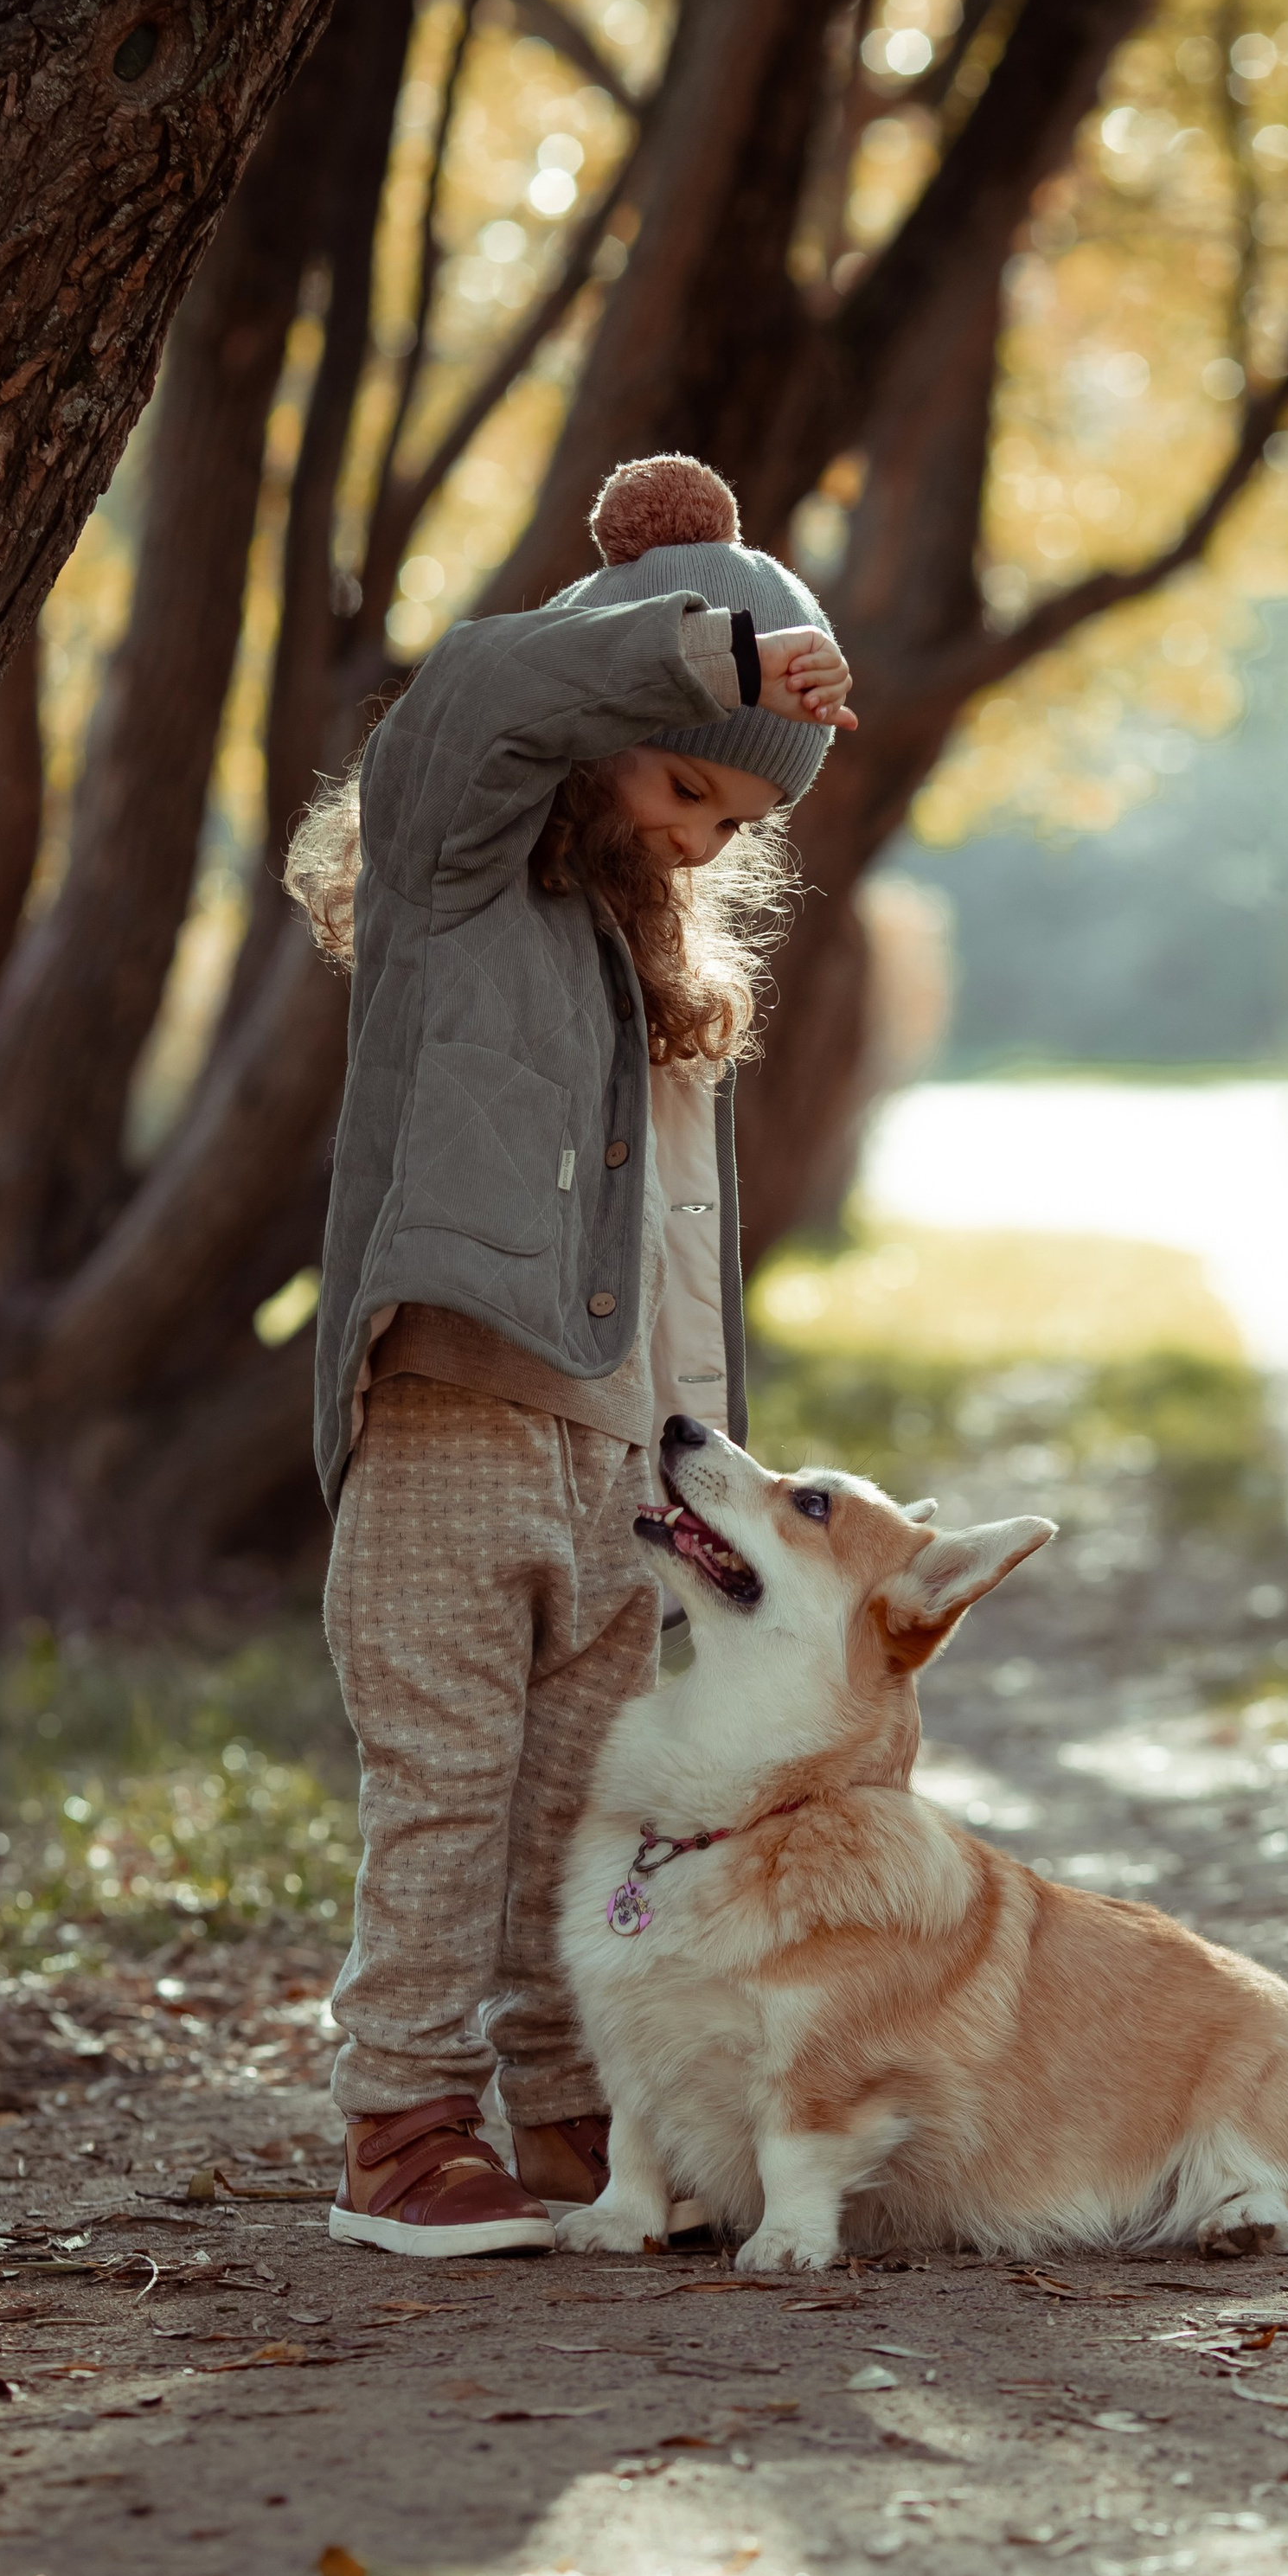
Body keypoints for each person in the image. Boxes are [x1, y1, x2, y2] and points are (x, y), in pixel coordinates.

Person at [285, 454, 855, 2256]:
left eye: (729, 820)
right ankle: (402, 2124)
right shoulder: (459, 880)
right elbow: (478, 685)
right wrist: (713, 659)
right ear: (615, 706)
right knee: (445, 1795)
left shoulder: (659, 986)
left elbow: (686, 1265)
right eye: (684, 783)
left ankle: (565, 2112)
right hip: (458, 1414)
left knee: (577, 1819)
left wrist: (710, 1485)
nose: (700, 830)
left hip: (621, 1465)